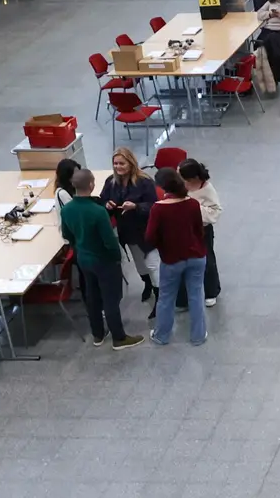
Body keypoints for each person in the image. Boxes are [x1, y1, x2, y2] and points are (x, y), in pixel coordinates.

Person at [60, 169, 143, 350]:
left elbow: (67, 235)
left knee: (92, 297)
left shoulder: (66, 209)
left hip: (83, 258)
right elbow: (109, 241)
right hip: (104, 260)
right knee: (111, 299)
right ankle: (119, 338)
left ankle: (98, 334)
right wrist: (116, 258)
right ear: (91, 185)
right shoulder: (98, 211)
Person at [145, 167, 208, 347]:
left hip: (172, 259)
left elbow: (150, 237)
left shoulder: (158, 208)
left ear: (162, 187)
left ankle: (162, 335)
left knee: (166, 297)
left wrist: (162, 245)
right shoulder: (192, 203)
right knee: (196, 294)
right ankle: (198, 335)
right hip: (196, 256)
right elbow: (199, 230)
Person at [100, 147, 159, 303]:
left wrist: (136, 207)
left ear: (131, 163)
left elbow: (154, 206)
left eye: (122, 163)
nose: (118, 167)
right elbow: (102, 200)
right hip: (128, 232)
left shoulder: (144, 182)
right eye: (115, 163)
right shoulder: (111, 182)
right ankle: (148, 285)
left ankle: (159, 297)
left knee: (153, 265)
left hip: (146, 231)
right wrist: (107, 205)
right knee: (140, 265)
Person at [178, 160, 221, 309]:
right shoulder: (181, 184)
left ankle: (211, 292)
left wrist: (193, 208)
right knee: (181, 262)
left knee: (207, 260)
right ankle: (183, 297)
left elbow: (215, 211)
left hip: (201, 230)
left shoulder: (207, 189)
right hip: (182, 228)